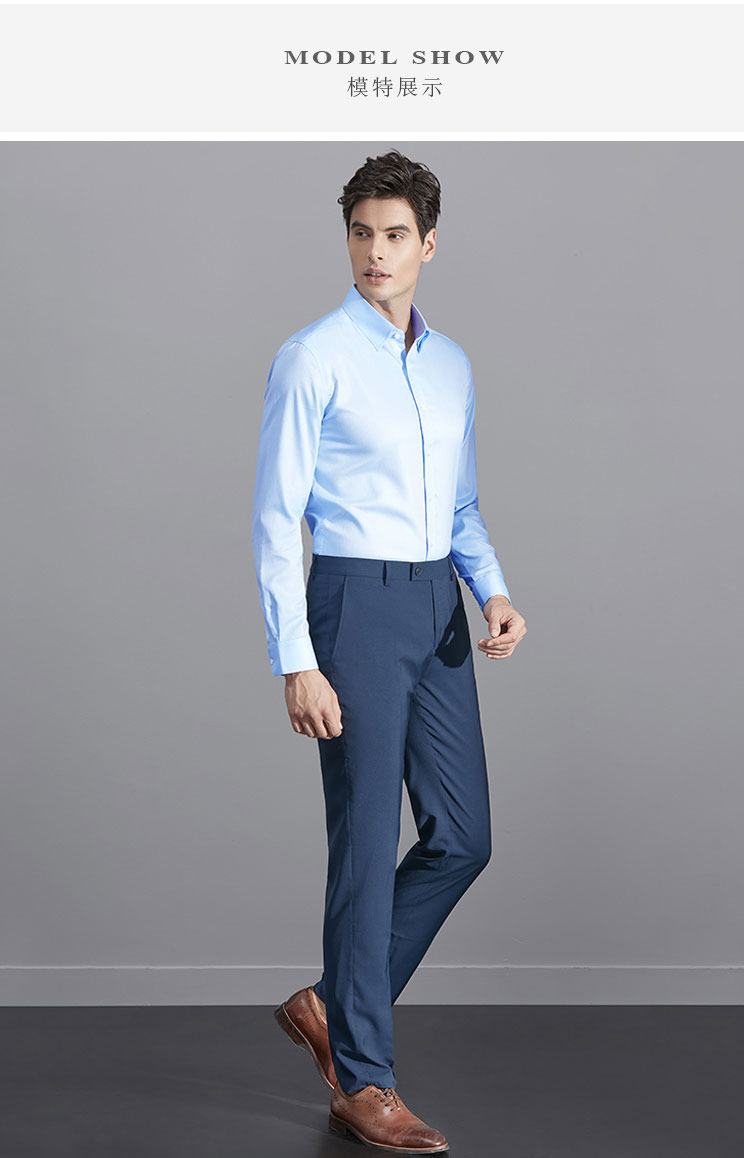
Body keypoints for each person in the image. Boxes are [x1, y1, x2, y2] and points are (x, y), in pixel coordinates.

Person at [251, 149, 527, 1153]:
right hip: (353, 607)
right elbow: (276, 520)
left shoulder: (451, 366)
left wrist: (492, 589)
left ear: (429, 245)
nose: (376, 251)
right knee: (367, 843)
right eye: (362, 233)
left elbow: (461, 503)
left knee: (463, 836)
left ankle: (333, 1004)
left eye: (395, 235)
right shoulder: (312, 357)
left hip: (436, 606)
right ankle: (363, 1080)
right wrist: (296, 658)